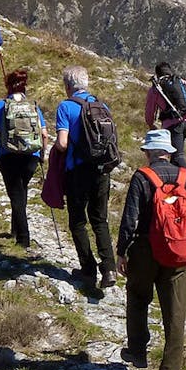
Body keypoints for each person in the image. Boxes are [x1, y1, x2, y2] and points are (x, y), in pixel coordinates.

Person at [116, 129, 186, 370]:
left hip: (145, 251)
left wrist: (121, 252)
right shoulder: (185, 177)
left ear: (147, 152)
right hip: (177, 254)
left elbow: (129, 220)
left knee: (137, 296)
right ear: (168, 152)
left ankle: (137, 351)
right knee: (175, 314)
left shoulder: (141, 177)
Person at [54, 65, 115, 289]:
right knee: (100, 220)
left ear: (68, 86)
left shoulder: (65, 106)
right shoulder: (102, 106)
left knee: (78, 221)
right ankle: (109, 268)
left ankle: (88, 269)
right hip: (101, 171)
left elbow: (62, 143)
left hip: (78, 172)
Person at [0, 69, 46, 248]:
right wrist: (42, 154)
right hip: (31, 157)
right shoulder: (33, 105)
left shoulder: (1, 105)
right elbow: (44, 133)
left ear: (8, 86)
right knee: (21, 190)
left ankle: (23, 238)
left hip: (8, 155)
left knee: (15, 194)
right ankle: (15, 229)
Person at [145, 62, 186, 169]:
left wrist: (151, 125)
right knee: (176, 152)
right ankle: (175, 179)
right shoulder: (181, 82)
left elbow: (149, 112)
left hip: (173, 124)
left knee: (177, 155)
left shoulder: (156, 89)